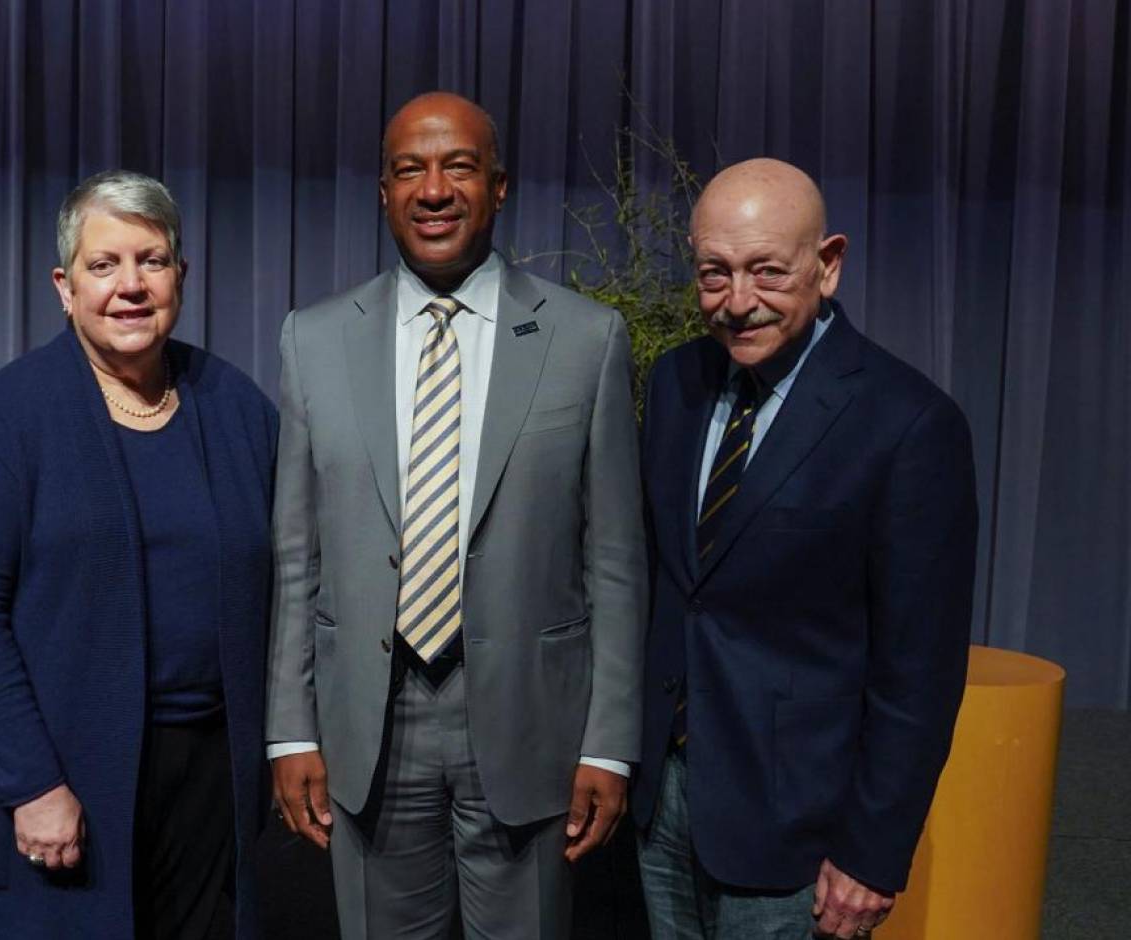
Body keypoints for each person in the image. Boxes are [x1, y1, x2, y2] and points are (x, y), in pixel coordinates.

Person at [266, 91, 647, 937]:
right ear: (384, 192)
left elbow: (615, 561)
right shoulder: (312, 341)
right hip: (370, 726)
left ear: (499, 187)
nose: (433, 190)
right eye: (410, 170)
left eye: (459, 167)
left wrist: (607, 743)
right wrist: (290, 732)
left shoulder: (587, 340)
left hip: (533, 729)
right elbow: (297, 556)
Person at [631, 157, 978, 939]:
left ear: (828, 265)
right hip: (666, 805)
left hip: (801, 831)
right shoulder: (675, 383)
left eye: (767, 271)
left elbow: (919, 671)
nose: (738, 301)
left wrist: (873, 852)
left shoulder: (909, 423)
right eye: (714, 273)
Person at [0, 169, 276, 939]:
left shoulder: (236, 406)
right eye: (104, 264)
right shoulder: (12, 417)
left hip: (211, 778)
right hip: (67, 772)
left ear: (180, 276)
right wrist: (30, 782)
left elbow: (291, 580)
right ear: (65, 288)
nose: (131, 286)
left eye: (151, 261)